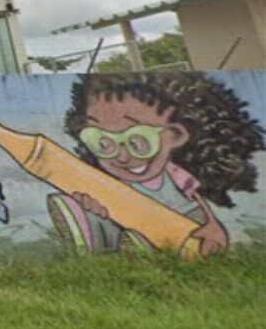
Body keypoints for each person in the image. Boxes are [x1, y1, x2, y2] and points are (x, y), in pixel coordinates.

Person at [49, 72, 263, 255]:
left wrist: (212, 226)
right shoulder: (110, 181)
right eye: (103, 142)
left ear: (176, 135)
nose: (121, 157)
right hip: (129, 216)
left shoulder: (175, 175)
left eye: (138, 142)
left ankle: (148, 245)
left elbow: (195, 199)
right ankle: (90, 230)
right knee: (107, 216)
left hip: (177, 218)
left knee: (184, 233)